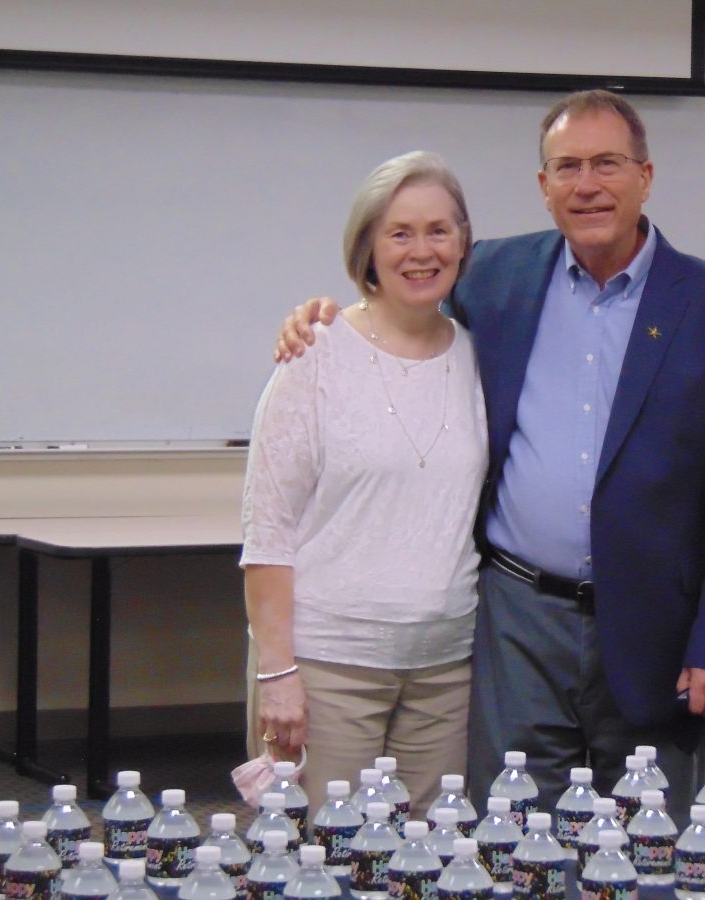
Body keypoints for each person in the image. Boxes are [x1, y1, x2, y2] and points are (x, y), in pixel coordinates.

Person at [272, 91, 705, 821]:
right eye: (566, 167)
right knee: (507, 832)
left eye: (607, 163)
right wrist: (321, 318)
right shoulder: (491, 277)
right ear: (543, 187)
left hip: (653, 627)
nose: (587, 185)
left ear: (645, 174)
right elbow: (399, 302)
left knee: (650, 839)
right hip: (516, 617)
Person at [241, 150, 488, 818]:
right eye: (399, 232)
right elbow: (267, 533)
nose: (422, 250)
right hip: (327, 669)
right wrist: (277, 674)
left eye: (439, 230)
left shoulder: (479, 355)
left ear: (464, 244)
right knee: (326, 864)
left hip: (445, 670)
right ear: (367, 248)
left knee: (430, 865)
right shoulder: (313, 355)